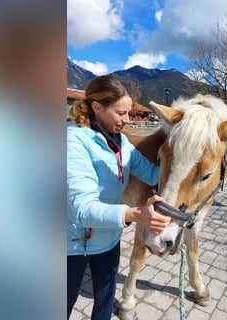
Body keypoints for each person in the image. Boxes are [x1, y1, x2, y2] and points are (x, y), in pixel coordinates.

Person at [66, 75, 171, 319]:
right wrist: (134, 214)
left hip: (108, 240)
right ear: (96, 107)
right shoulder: (73, 141)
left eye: (129, 112)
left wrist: (185, 176)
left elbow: (150, 172)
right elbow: (82, 208)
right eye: (120, 113)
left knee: (104, 305)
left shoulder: (121, 142)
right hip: (71, 244)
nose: (127, 120)